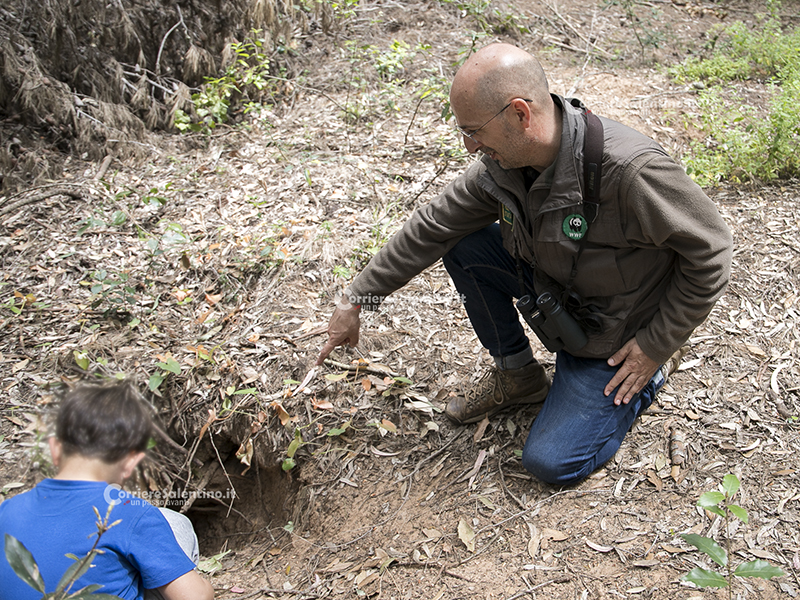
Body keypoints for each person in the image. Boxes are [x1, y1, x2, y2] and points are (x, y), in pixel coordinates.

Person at [316, 43, 732, 486]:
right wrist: (356, 299)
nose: (469, 146)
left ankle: (651, 376)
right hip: (558, 293)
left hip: (616, 332)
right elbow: (433, 226)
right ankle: (518, 376)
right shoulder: (503, 166)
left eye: (474, 131)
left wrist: (656, 343)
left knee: (551, 462)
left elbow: (711, 252)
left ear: (519, 114)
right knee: (463, 242)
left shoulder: (629, 170)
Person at [0, 381, 214, 600]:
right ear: (131, 461)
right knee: (176, 524)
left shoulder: (6, 512)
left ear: (55, 448)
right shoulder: (130, 513)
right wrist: (205, 587)